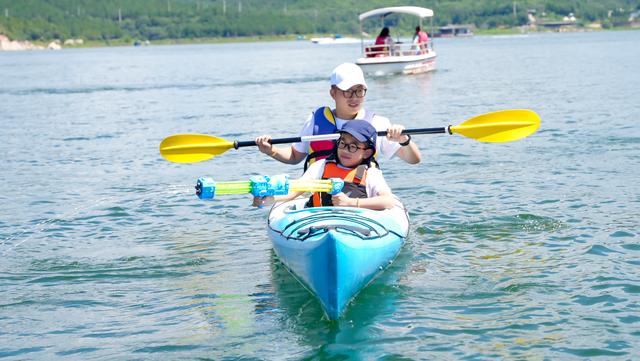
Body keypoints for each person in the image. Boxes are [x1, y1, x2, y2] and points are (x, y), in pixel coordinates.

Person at [255, 63, 421, 171]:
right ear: (333, 93)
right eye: (347, 91)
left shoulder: (377, 123)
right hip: (320, 194)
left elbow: (413, 159)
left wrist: (403, 140)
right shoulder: (316, 120)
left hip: (360, 196)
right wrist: (271, 150)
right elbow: (294, 157)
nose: (354, 97)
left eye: (359, 90)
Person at [253, 120, 398, 210]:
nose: (345, 150)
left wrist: (351, 203)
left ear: (366, 153)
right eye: (342, 143)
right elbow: (295, 191)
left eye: (353, 147)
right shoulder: (321, 166)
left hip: (355, 227)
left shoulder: (371, 173)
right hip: (319, 225)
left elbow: (388, 201)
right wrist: (266, 199)